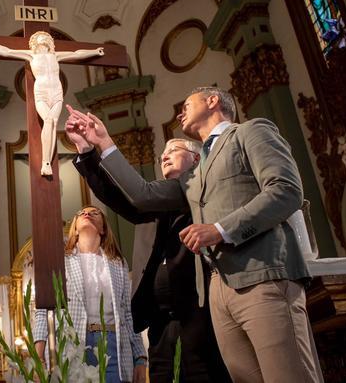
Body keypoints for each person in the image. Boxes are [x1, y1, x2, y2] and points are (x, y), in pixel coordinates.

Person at [66, 86, 323, 382]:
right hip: (216, 292)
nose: (179, 112)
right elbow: (139, 196)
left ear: (212, 100)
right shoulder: (193, 180)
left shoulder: (250, 132)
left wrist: (221, 229)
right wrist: (97, 145)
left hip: (258, 276)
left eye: (187, 103)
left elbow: (286, 190)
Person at [68, 131, 230, 382]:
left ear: (196, 159)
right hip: (159, 322)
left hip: (200, 317)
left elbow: (143, 194)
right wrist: (86, 153)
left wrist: (102, 144)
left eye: (173, 150)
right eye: (162, 154)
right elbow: (113, 194)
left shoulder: (202, 191)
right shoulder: (152, 206)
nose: (164, 156)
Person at [32, 206, 146, 383]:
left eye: (95, 213)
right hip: (73, 347)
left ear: (103, 228)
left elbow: (129, 313)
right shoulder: (60, 260)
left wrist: (140, 358)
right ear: (75, 228)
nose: (87, 214)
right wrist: (37, 358)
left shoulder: (118, 263)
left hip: (114, 346)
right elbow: (43, 311)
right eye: (82, 213)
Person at [0, 31, 103, 176]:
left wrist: (94, 51)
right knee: (48, 120)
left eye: (46, 36)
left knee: (54, 123)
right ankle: (45, 162)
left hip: (56, 92)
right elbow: (6, 51)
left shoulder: (55, 55)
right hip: (42, 92)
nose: (44, 37)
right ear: (34, 41)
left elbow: (77, 54)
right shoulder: (30, 55)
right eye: (40, 36)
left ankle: (48, 163)